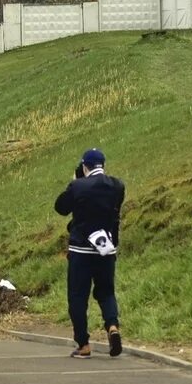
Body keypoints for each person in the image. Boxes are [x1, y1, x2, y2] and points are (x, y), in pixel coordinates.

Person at [54, 148, 125, 359]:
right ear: (103, 165)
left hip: (81, 248)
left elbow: (61, 208)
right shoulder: (118, 186)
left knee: (78, 296)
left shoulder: (78, 186)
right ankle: (112, 326)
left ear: (84, 166)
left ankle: (83, 344)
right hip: (106, 248)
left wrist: (74, 183)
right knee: (106, 292)